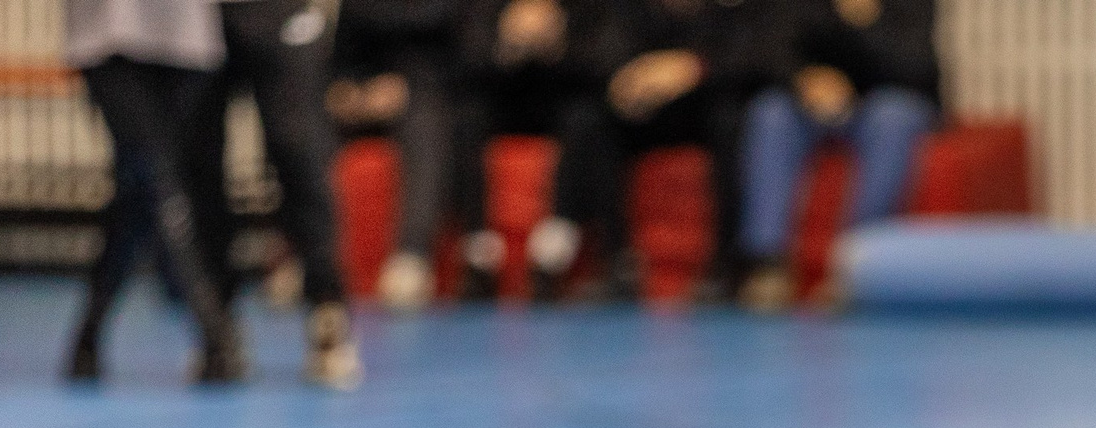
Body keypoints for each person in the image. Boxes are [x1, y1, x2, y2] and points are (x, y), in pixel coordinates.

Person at [182, 0, 362, 387]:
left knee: (300, 153)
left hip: (282, 10)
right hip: (197, 16)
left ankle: (326, 313)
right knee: (200, 168)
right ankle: (217, 325)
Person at [64, 0, 246, 382]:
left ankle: (88, 334)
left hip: (188, 38)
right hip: (107, 34)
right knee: (155, 174)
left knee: (139, 190)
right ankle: (214, 331)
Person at [558, 0, 769, 299]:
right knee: (589, 120)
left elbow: (755, 64)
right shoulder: (626, 11)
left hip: (703, 113)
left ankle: (726, 264)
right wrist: (627, 78)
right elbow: (595, 59)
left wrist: (694, 68)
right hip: (641, 116)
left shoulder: (726, 11)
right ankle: (616, 261)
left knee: (732, 121)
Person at [736, 0, 936, 311]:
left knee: (892, 116)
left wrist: (862, 23)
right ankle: (769, 264)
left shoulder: (908, 7)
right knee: (771, 112)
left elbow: (918, 69)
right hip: (810, 104)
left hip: (879, 102)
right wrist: (805, 80)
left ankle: (857, 271)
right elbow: (768, 54)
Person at [451, 0, 600, 299]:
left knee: (586, 118)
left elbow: (603, 67)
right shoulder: (484, 10)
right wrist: (506, 44)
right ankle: (479, 252)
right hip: (501, 100)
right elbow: (460, 66)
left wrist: (555, 43)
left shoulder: (585, 9)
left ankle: (554, 248)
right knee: (465, 117)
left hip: (561, 98)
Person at [328, 0, 464, 309]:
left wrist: (406, 89)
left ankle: (411, 257)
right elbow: (341, 57)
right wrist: (350, 91)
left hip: (432, 96)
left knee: (426, 125)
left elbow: (465, 56)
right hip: (366, 99)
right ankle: (308, 257)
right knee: (304, 123)